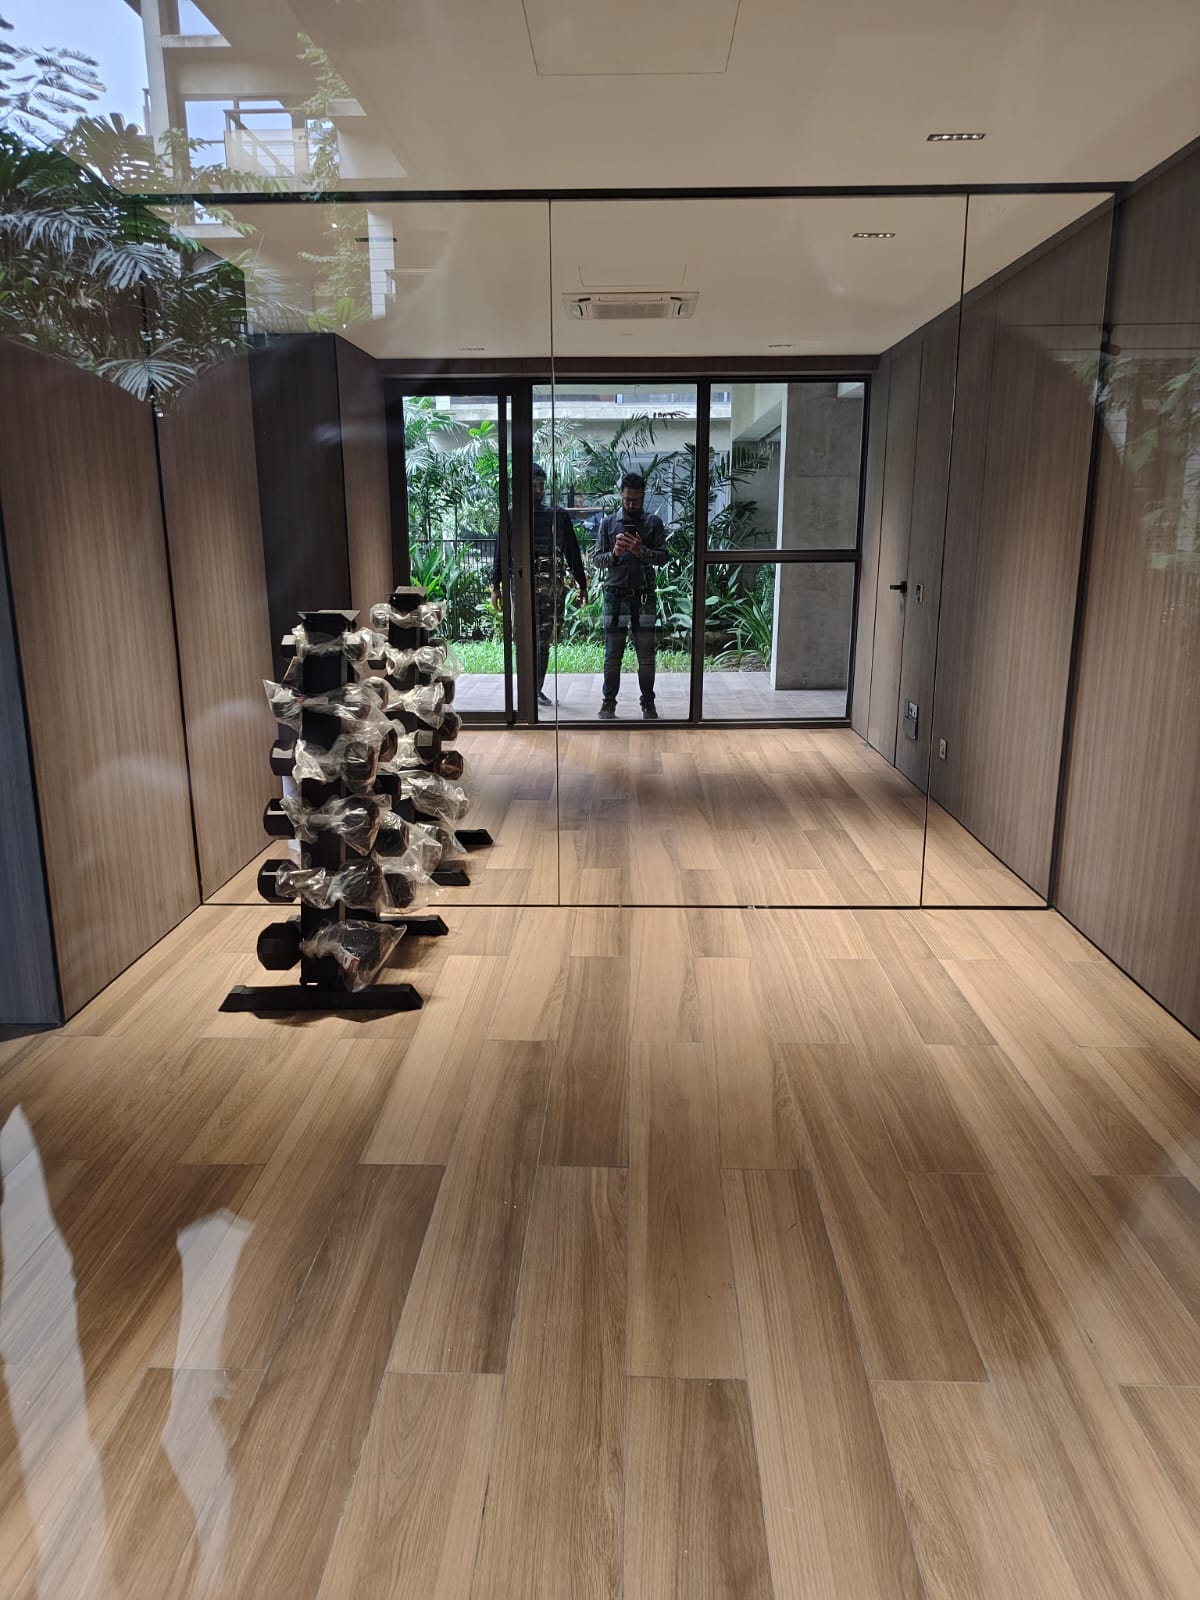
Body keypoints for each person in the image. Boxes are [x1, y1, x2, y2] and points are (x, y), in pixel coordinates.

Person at [491, 463, 587, 706]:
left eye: (541, 485)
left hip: (550, 584)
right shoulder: (512, 515)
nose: (538, 490)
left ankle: (536, 689)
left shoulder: (557, 516)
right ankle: (526, 689)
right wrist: (495, 586)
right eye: (534, 485)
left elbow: (572, 552)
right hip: (521, 584)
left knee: (544, 638)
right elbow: (501, 551)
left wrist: (581, 583)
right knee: (523, 638)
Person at [593, 472, 668, 719]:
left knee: (646, 656)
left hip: (644, 597)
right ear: (621, 495)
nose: (632, 505)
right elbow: (596, 559)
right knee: (612, 655)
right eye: (627, 500)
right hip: (614, 597)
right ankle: (608, 703)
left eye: (636, 500)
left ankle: (648, 703)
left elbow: (664, 557)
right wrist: (614, 553)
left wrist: (641, 551)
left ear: (643, 496)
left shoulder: (653, 523)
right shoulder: (608, 523)